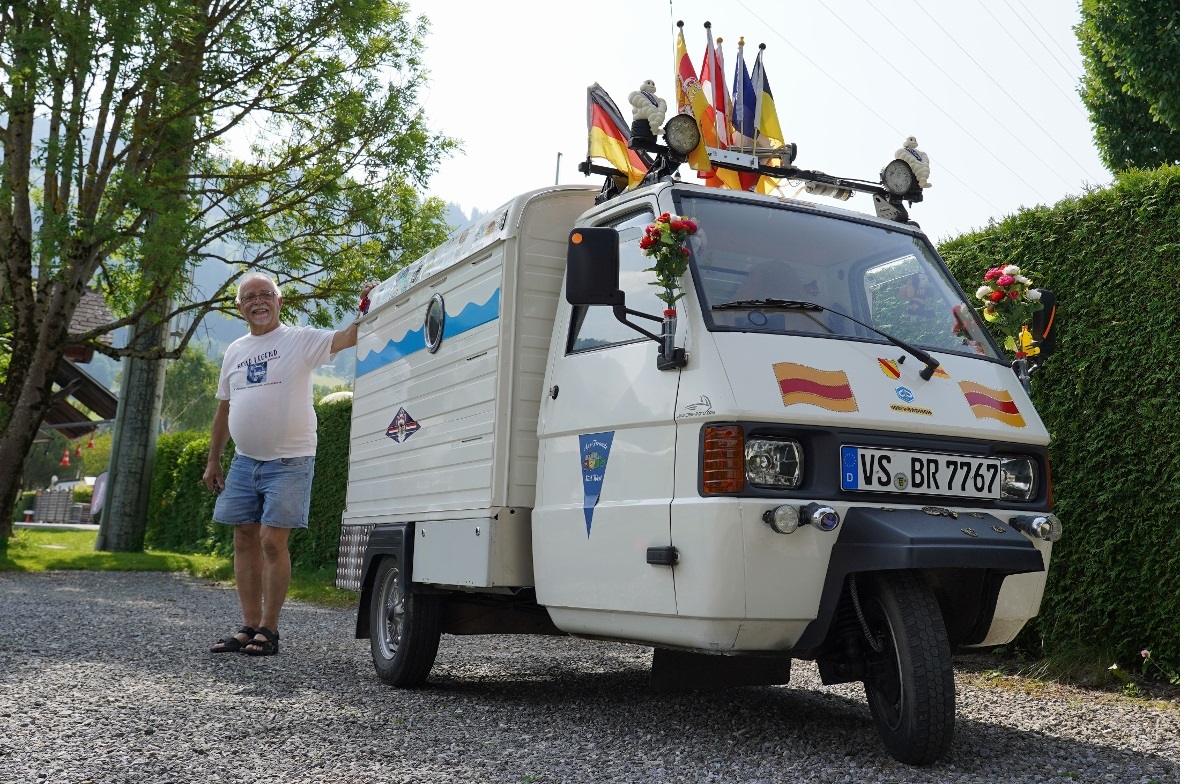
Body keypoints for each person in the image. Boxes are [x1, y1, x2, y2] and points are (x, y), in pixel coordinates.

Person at [204, 272, 376, 656]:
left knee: (271, 540)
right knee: (243, 537)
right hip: (244, 461)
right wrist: (214, 458)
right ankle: (248, 626)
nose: (259, 301)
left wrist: (368, 304)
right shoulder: (235, 351)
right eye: (250, 297)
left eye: (266, 294)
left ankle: (270, 629)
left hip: (291, 459)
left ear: (280, 302)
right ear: (239, 308)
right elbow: (225, 409)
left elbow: (349, 336)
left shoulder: (300, 340)